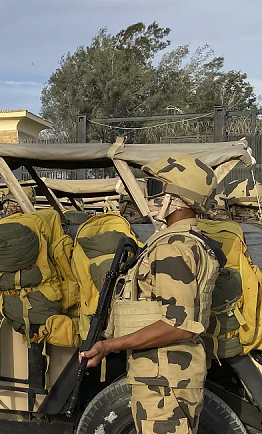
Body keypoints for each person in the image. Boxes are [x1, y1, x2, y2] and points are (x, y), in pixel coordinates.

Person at [80, 154, 221, 434]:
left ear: (178, 198)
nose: (151, 196)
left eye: (157, 188)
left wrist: (110, 346)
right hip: (163, 375)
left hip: (165, 381)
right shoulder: (180, 241)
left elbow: (178, 325)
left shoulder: (173, 248)